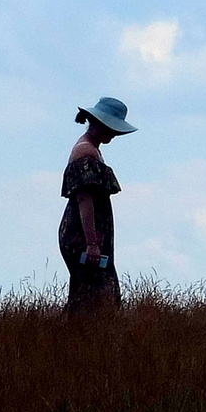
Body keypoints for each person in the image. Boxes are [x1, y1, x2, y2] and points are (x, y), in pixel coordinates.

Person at [59, 96, 134, 314]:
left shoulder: (92, 149)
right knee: (94, 298)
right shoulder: (86, 152)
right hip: (83, 238)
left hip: (90, 239)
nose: (113, 133)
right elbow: (84, 199)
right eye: (111, 128)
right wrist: (91, 243)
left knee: (91, 296)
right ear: (98, 123)